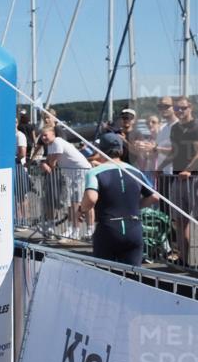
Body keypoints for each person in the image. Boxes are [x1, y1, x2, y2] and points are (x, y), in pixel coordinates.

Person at [79, 133, 159, 265]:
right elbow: (154, 196)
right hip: (133, 228)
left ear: (101, 150)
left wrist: (81, 209)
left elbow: (91, 199)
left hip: (108, 228)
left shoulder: (95, 172)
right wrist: (134, 206)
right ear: (121, 150)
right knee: (133, 277)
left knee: (104, 276)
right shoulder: (135, 171)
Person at [40, 127, 92, 238]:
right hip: (74, 173)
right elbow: (50, 162)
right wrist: (45, 163)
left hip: (80, 172)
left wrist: (44, 163)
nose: (43, 138)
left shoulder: (57, 142)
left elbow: (52, 164)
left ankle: (78, 231)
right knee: (73, 202)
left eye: (45, 135)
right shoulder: (51, 145)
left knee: (76, 202)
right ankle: (74, 230)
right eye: (42, 135)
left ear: (53, 134)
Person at [170, 96, 198, 262]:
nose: (180, 111)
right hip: (177, 177)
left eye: (183, 108)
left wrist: (188, 170)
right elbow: (175, 151)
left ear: (190, 108)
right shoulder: (175, 128)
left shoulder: (196, 126)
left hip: (193, 178)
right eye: (177, 108)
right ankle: (183, 259)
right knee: (180, 221)